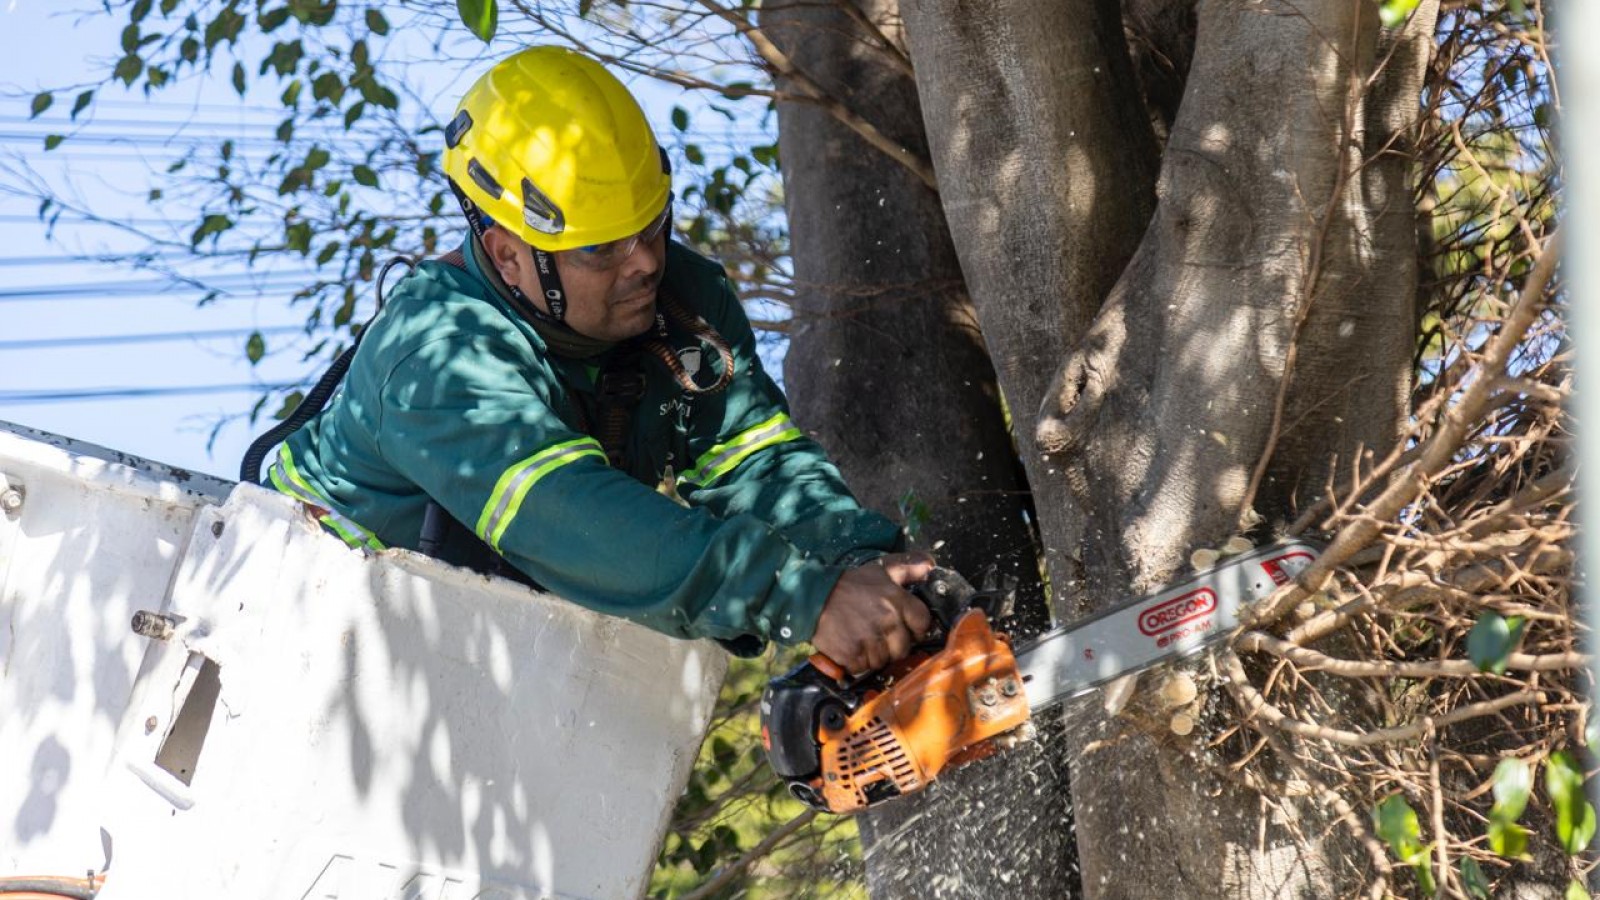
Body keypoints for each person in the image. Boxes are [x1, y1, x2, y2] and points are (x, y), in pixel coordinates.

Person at [265, 46, 930, 674]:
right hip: (316, 629)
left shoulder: (685, 305)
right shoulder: (436, 356)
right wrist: (800, 597)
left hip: (495, 637)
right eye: (600, 250)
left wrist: (856, 563)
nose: (643, 262)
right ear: (506, 255)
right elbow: (569, 513)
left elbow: (754, 460)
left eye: (650, 226)